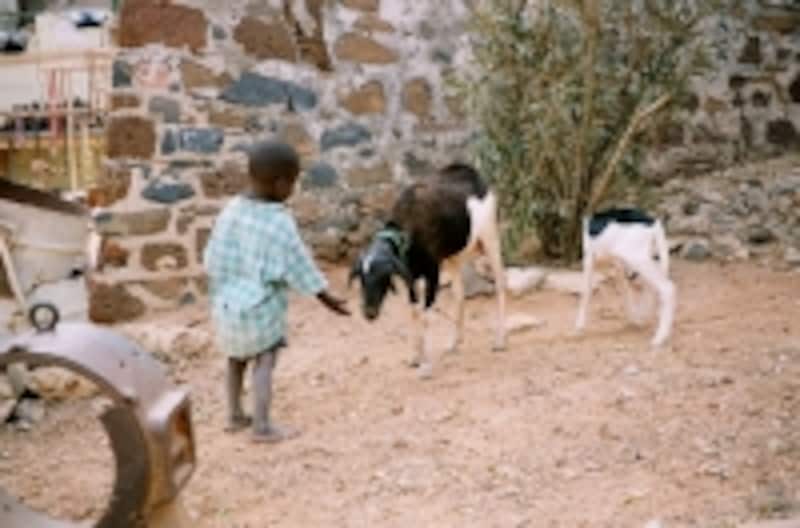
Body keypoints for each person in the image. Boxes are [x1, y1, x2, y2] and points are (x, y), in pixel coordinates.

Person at [203, 140, 350, 443]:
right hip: (260, 308)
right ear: (281, 183)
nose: (294, 190)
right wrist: (327, 298)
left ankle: (234, 415)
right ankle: (262, 426)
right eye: (294, 183)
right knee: (264, 361)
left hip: (227, 305)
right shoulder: (278, 222)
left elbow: (212, 256)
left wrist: (224, 289)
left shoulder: (230, 211)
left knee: (235, 358)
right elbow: (300, 265)